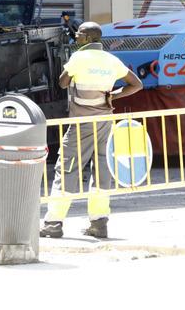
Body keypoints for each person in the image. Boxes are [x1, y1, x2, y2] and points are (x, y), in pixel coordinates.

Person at [40, 21, 144, 239]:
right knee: (102, 171)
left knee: (67, 169)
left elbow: (62, 83)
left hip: (81, 123)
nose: (75, 37)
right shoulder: (111, 59)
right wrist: (112, 95)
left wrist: (72, 71)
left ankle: (53, 223)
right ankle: (99, 223)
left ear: (87, 38)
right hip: (105, 122)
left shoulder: (79, 57)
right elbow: (137, 85)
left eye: (78, 35)